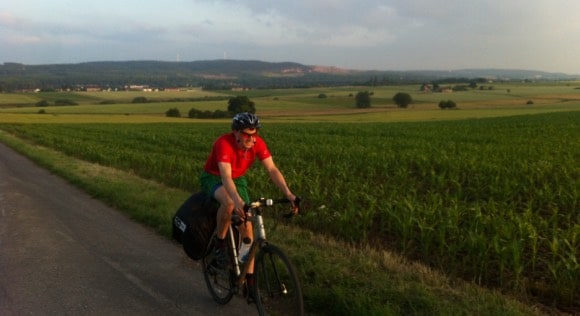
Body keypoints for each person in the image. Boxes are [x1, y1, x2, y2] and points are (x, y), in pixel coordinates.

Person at [200, 112, 297, 290]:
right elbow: (226, 177)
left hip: (238, 180)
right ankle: (220, 244)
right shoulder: (223, 144)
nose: (251, 138)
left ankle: (249, 280)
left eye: (255, 134)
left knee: (248, 227)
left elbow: (272, 169)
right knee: (229, 203)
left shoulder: (257, 144)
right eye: (247, 134)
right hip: (214, 178)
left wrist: (288, 194)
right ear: (236, 132)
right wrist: (237, 201)